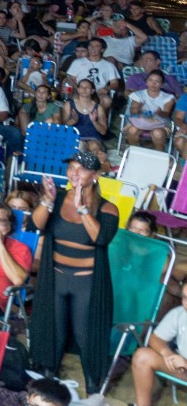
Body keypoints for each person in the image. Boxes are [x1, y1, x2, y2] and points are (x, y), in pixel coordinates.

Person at [30, 151, 119, 393]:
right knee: (54, 330)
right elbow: (34, 226)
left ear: (96, 176)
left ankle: (93, 386)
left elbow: (100, 238)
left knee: (85, 335)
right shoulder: (57, 198)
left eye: (81, 169)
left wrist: (82, 209)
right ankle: (47, 381)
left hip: (86, 283)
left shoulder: (108, 209)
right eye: (71, 168)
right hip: (56, 278)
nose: (74, 173)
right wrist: (46, 201)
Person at [132, 301, 187, 406]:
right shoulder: (179, 313)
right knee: (143, 356)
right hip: (182, 367)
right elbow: (155, 338)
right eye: (184, 297)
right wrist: (166, 353)